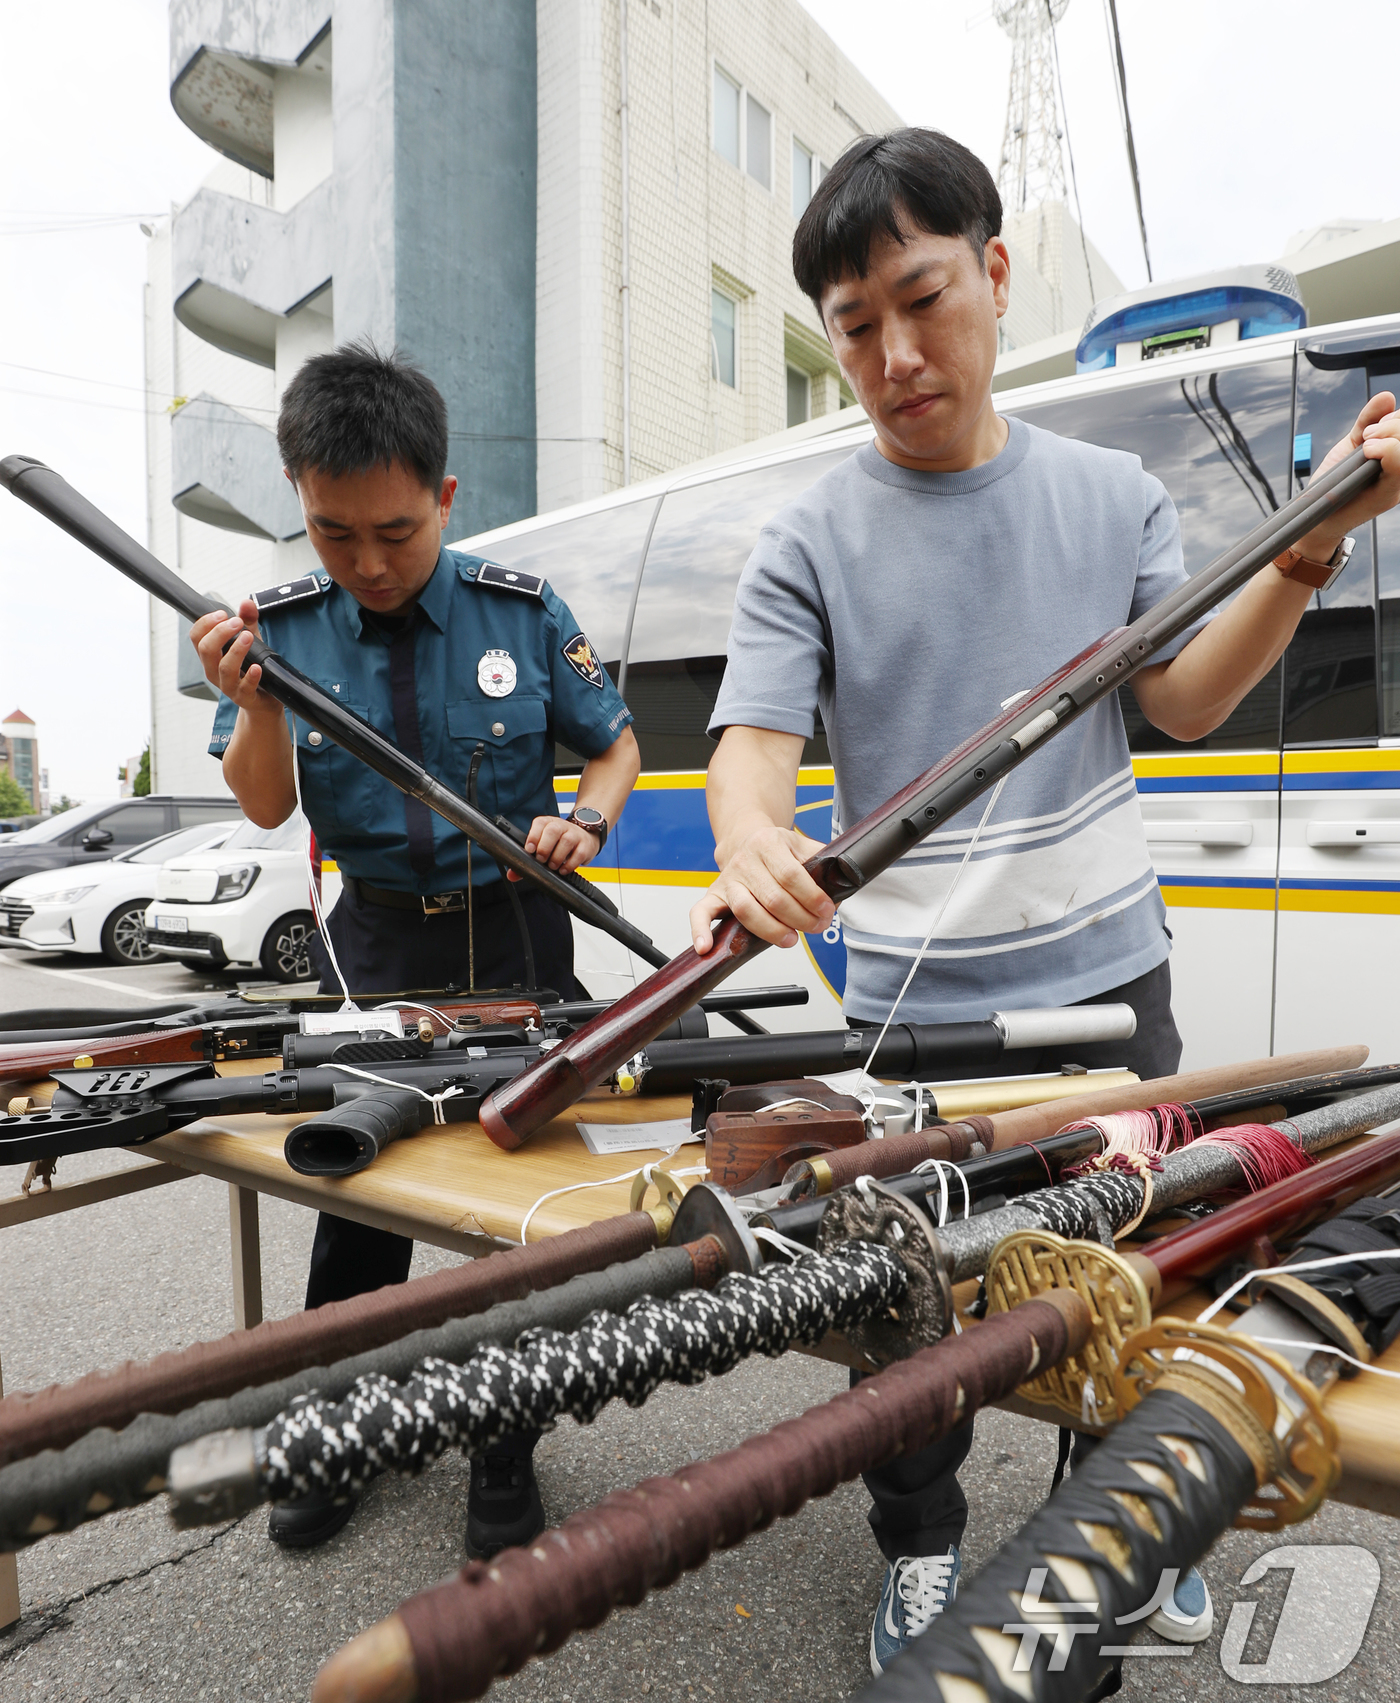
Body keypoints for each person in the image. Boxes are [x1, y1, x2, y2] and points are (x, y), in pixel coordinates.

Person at [689, 129, 1400, 1679]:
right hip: (909, 1020)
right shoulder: (809, 535)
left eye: (920, 298)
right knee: (908, 1302)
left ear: (996, 274)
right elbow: (748, 758)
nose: (892, 352)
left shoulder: (1112, 497)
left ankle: (1113, 1529)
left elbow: (1192, 700)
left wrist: (1311, 543)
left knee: (1126, 1274)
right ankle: (926, 1544)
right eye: (853, 324)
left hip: (1111, 992)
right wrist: (748, 837)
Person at [191, 342, 640, 1557]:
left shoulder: (522, 611)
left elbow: (614, 745)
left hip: (518, 933)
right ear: (301, 503)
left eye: (394, 531)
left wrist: (585, 818)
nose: (369, 563)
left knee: (518, 1201)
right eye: (335, 535)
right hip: (377, 946)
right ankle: (337, 1432)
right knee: (359, 1199)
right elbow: (266, 806)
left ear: (443, 497)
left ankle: (503, 1441)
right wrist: (260, 703)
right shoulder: (274, 631)